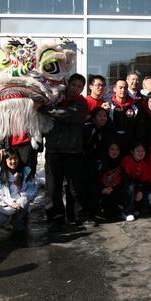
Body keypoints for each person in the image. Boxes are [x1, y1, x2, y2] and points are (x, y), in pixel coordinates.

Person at [44, 73, 102, 229]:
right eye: (74, 85)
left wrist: (46, 109)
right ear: (68, 84)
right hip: (53, 150)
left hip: (73, 151)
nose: (76, 88)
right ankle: (55, 218)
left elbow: (66, 114)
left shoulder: (81, 104)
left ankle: (79, 216)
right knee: (53, 188)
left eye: (79, 86)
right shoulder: (55, 98)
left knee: (75, 187)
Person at [0, 148, 36, 235]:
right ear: (5, 160)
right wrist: (11, 202)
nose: (13, 161)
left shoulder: (25, 171)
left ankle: (17, 221)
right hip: (5, 202)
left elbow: (32, 189)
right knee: (0, 219)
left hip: (19, 201)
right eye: (10, 159)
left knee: (24, 201)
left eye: (15, 158)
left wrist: (22, 195)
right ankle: (3, 219)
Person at [109, 77, 142, 151]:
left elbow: (138, 127)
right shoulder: (109, 105)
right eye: (120, 87)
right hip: (113, 145)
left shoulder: (135, 106)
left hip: (130, 145)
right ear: (114, 89)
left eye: (125, 88)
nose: (123, 90)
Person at [120, 142, 151, 221]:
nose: (140, 153)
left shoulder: (144, 164)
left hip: (137, 186)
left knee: (149, 196)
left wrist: (140, 191)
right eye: (138, 151)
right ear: (132, 152)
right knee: (131, 187)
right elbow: (126, 179)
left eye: (143, 151)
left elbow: (145, 181)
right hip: (125, 186)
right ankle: (127, 211)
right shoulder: (127, 160)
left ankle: (135, 209)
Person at [83, 107, 111, 189]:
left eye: (105, 116)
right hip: (84, 164)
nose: (103, 118)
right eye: (100, 116)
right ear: (94, 118)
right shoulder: (88, 128)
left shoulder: (102, 129)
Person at [100, 141, 124, 221]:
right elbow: (96, 180)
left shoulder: (121, 163)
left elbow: (124, 179)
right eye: (112, 149)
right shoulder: (102, 163)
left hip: (117, 190)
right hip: (104, 190)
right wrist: (102, 189)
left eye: (117, 149)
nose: (115, 152)